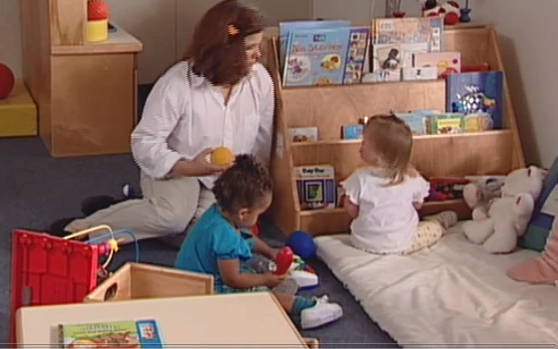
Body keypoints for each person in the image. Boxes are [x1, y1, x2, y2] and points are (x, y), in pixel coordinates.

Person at [46, 0, 275, 243]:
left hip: (222, 179)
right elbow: (144, 142)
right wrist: (190, 167)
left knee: (206, 236)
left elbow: (263, 141)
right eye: (250, 48)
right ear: (225, 49)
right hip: (176, 170)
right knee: (173, 217)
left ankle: (133, 210)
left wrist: (252, 189)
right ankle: (83, 228)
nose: (258, 55)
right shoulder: (177, 83)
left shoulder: (259, 81)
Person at [175, 154, 343, 329]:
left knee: (253, 266)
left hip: (197, 277)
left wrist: (270, 251)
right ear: (243, 213)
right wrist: (264, 280)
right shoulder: (225, 235)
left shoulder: (221, 211)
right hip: (202, 291)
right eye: (259, 214)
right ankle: (303, 309)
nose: (259, 218)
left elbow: (247, 237)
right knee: (260, 294)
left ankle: (279, 281)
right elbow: (233, 279)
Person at [342, 114, 458, 255]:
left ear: (381, 153)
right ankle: (439, 222)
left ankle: (434, 221)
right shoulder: (411, 177)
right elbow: (418, 205)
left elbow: (351, 207)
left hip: (363, 242)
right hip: (401, 243)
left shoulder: (360, 177)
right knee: (432, 229)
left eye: (364, 142)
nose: (360, 147)